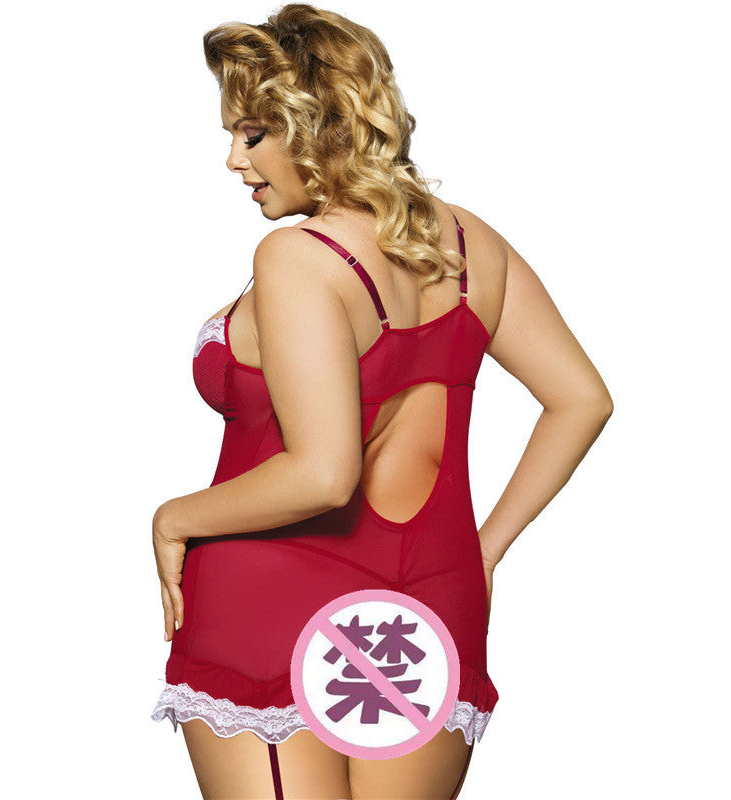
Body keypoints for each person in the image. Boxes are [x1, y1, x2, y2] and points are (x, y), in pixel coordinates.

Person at [150, 4, 613, 798]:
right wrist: (483, 551)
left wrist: (172, 519)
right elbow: (582, 399)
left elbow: (323, 474)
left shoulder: (297, 256)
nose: (232, 159)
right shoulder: (470, 244)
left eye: (253, 134)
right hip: (428, 606)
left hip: (271, 600)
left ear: (317, 125)